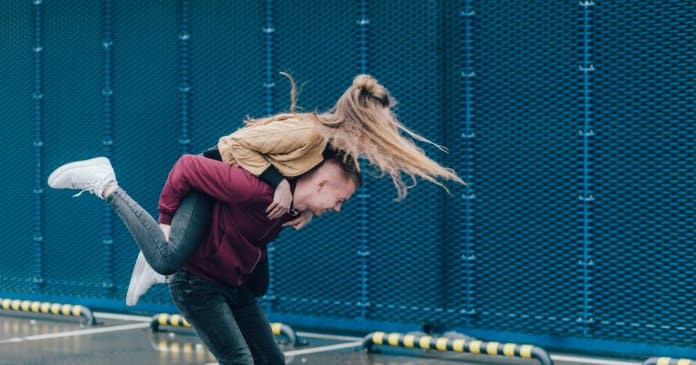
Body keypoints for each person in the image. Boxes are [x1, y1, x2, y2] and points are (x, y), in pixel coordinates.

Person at [48, 152, 361, 365]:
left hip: (234, 286)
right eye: (339, 200)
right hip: (197, 284)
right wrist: (166, 225)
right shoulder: (255, 190)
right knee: (239, 360)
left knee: (271, 360)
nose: (337, 208)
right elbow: (187, 165)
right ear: (321, 185)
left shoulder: (293, 206)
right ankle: (107, 186)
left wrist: (305, 209)